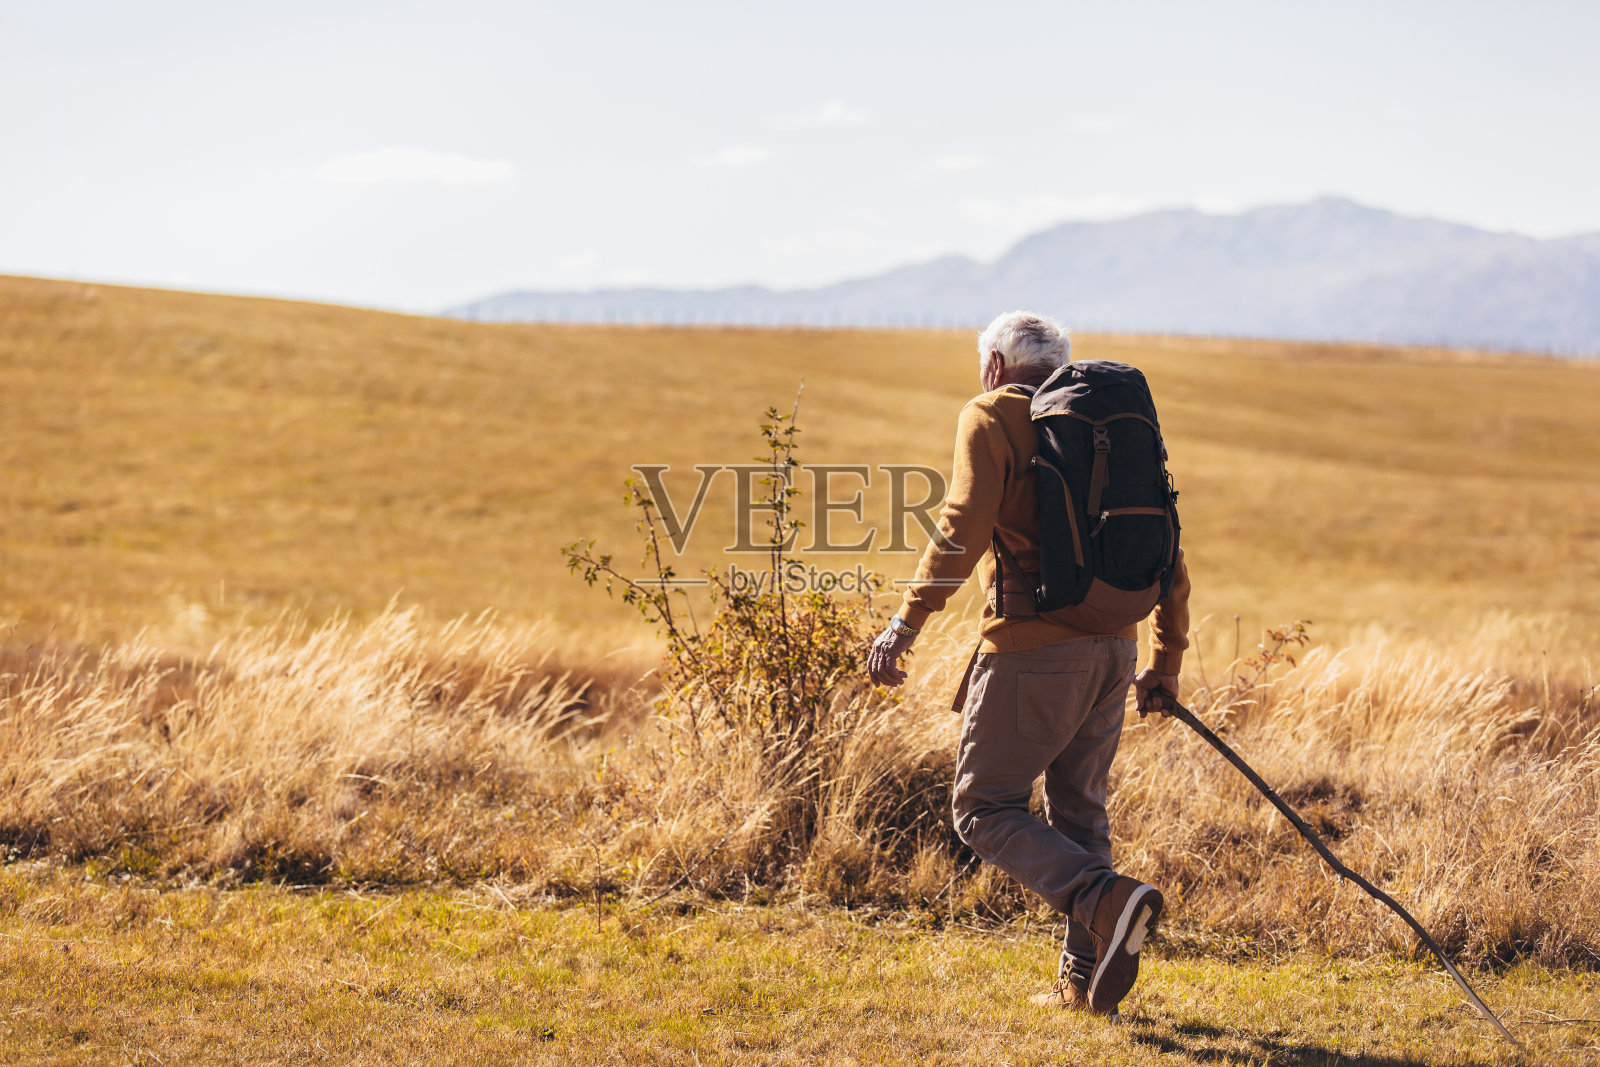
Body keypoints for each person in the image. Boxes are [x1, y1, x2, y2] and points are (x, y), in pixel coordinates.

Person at [867, 310, 1190, 1016]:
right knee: (1080, 812)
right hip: (1117, 648)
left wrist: (907, 620)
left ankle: (1105, 896)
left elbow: (961, 526)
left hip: (1030, 649)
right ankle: (1084, 982)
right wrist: (1166, 657)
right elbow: (1167, 543)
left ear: (992, 367)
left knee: (983, 807)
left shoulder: (991, 414)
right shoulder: (1107, 423)